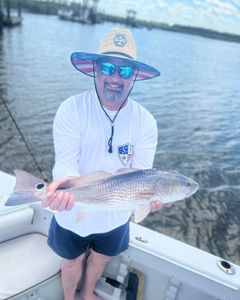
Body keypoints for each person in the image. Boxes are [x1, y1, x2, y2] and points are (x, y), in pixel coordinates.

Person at [42, 28, 163, 300]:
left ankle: (87, 293)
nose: (115, 78)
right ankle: (69, 297)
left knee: (100, 259)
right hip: (72, 213)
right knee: (71, 261)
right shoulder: (72, 108)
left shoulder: (145, 121)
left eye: (124, 71)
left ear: (134, 77)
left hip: (116, 216)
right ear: (96, 69)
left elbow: (142, 175)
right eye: (108, 67)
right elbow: (66, 162)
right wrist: (64, 191)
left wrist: (151, 197)